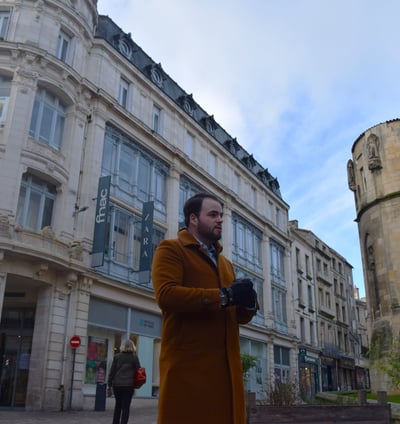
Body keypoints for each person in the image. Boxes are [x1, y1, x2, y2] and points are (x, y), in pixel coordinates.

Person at [152, 192, 258, 424]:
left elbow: (237, 315)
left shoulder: (226, 265)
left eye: (221, 215)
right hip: (190, 375)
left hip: (228, 377)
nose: (220, 219)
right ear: (193, 219)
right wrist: (224, 296)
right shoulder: (171, 249)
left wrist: (248, 302)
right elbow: (167, 295)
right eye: (212, 214)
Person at [107, 339, 141, 424]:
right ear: (132, 347)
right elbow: (139, 371)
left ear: (122, 346)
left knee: (118, 406)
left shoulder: (117, 357)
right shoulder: (134, 357)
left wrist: (109, 385)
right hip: (129, 386)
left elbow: (112, 372)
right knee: (126, 408)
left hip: (117, 385)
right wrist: (137, 384)